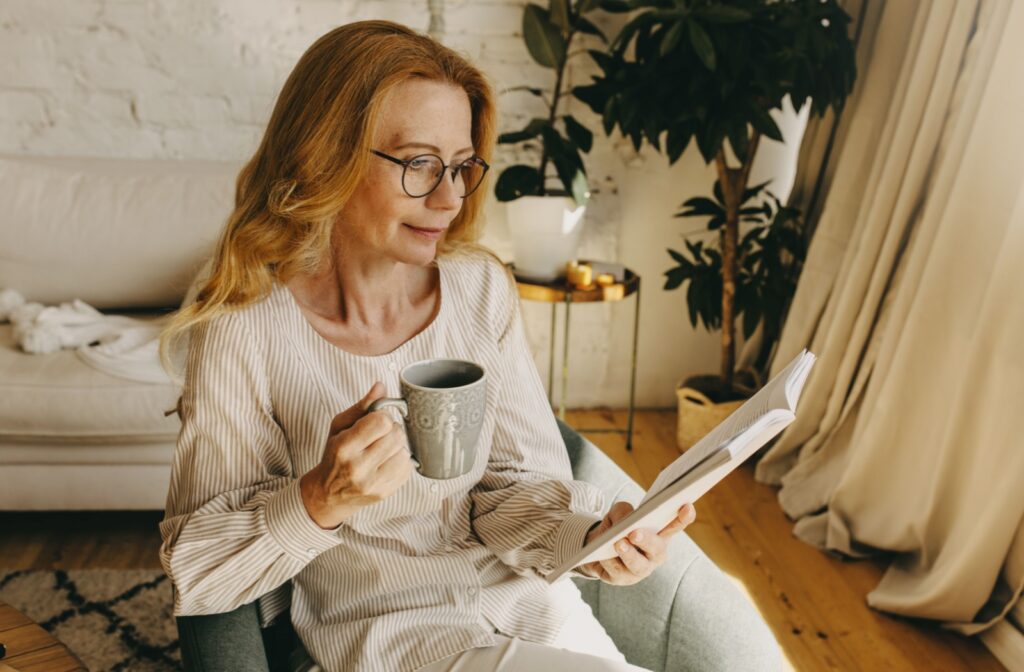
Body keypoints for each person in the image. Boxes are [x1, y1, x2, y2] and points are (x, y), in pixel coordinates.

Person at [158, 20, 698, 672]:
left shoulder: (479, 291)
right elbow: (200, 569)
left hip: (536, 613)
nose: (447, 199)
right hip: (394, 639)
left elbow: (515, 488)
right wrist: (321, 497)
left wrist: (592, 537)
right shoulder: (244, 328)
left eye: (461, 167)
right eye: (418, 163)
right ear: (326, 156)